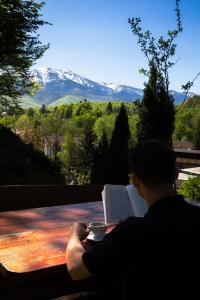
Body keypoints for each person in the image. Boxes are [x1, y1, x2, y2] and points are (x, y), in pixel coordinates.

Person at [66, 140, 200, 299]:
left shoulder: (133, 232)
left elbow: (76, 269)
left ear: (135, 180)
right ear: (176, 174)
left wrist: (74, 235)